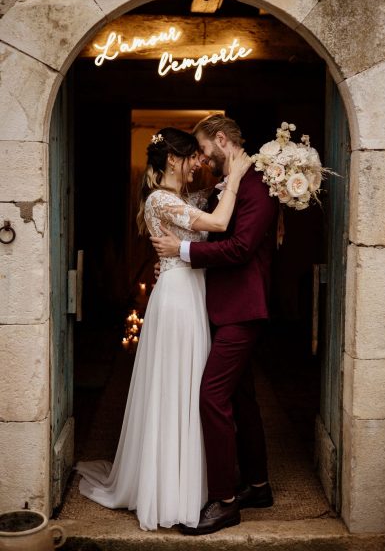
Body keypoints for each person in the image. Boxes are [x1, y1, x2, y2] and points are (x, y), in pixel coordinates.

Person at [76, 127, 251, 531]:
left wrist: (224, 180)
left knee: (190, 388)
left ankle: (185, 480)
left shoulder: (182, 198)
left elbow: (201, 220)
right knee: (174, 386)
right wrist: (238, 177)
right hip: (175, 299)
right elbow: (220, 223)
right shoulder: (160, 199)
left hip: (191, 295)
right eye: (192, 156)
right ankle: (167, 489)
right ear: (173, 158)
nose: (197, 163)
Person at [151, 115, 279, 535]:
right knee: (241, 398)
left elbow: (241, 246)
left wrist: (182, 250)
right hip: (222, 305)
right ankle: (257, 486)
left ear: (222, 140)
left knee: (211, 397)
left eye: (204, 149)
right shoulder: (228, 185)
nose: (201, 159)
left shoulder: (257, 183)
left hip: (242, 308)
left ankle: (224, 501)